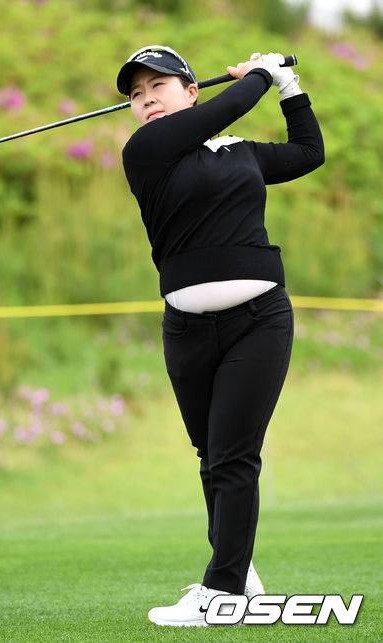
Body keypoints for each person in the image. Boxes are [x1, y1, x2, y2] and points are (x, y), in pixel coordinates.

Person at [116, 45, 325, 627]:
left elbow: (309, 152)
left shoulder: (241, 153)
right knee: (212, 456)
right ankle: (239, 573)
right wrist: (260, 75)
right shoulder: (145, 152)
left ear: (191, 91)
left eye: (158, 86)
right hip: (185, 328)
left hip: (258, 321)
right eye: (136, 94)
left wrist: (287, 87)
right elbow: (225, 109)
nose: (146, 99)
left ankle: (222, 591)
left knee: (233, 456)